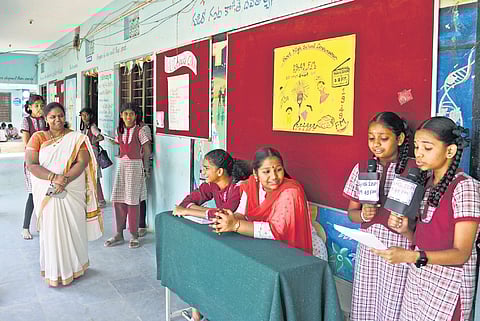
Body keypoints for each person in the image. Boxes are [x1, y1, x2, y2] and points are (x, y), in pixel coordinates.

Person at [373, 116, 480, 321]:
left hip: (448, 284)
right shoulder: (427, 184)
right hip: (420, 277)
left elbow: (461, 254)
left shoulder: (465, 187)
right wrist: (406, 231)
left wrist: (412, 257)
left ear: (450, 151)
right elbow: (425, 241)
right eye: (416, 146)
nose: (418, 154)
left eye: (427, 148)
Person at [343, 111, 415, 321]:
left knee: (392, 302)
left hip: (398, 247)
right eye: (371, 138)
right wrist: (363, 215)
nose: (376, 144)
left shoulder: (414, 170)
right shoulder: (363, 168)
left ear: (400, 139)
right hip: (369, 248)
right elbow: (351, 214)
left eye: (384, 139)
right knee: (367, 299)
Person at [25, 102, 102, 286]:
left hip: (71, 190)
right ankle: (55, 271)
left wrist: (64, 179)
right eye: (52, 117)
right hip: (48, 191)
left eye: (60, 115)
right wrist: (54, 178)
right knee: (52, 231)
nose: (57, 119)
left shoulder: (75, 137)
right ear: (46, 119)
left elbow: (82, 161)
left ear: (64, 116)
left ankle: (77, 267)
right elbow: (32, 164)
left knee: (74, 228)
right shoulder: (37, 137)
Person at [172, 148, 251, 321]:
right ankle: (197, 314)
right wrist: (192, 208)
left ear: (220, 171)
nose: (203, 172)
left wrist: (192, 210)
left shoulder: (239, 188)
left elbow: (224, 214)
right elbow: (188, 201)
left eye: (207, 168)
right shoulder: (212, 185)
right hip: (221, 237)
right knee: (195, 261)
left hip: (240, 243)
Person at [215, 147, 327, 260]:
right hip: (269, 246)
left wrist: (235, 225)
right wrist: (227, 219)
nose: (274, 176)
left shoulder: (291, 191)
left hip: (302, 251)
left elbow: (276, 230)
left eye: (278, 170)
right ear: (255, 173)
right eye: (266, 171)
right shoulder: (251, 185)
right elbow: (242, 213)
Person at [104, 102, 152, 249]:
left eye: (131, 114)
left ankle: (134, 235)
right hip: (122, 167)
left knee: (132, 202)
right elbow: (120, 145)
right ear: (121, 115)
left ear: (136, 115)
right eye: (125, 114)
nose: (128, 117)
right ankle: (119, 233)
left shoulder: (141, 130)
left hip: (136, 167)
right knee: (118, 200)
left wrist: (146, 169)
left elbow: (147, 150)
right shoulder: (119, 130)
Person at [20, 95, 47, 240]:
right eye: (36, 105)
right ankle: (25, 227)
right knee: (32, 194)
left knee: (44, 193)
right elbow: (27, 142)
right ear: (29, 107)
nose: (40, 108)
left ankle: (42, 224)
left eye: (42, 105)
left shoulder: (46, 119)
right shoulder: (26, 121)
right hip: (31, 161)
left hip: (45, 161)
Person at [79, 107, 106, 208]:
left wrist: (91, 143)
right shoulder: (84, 127)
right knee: (90, 176)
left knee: (94, 176)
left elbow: (100, 137)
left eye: (86, 115)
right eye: (82, 115)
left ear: (91, 116)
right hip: (87, 153)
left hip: (93, 154)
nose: (84, 117)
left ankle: (100, 200)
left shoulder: (92, 127)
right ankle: (95, 199)